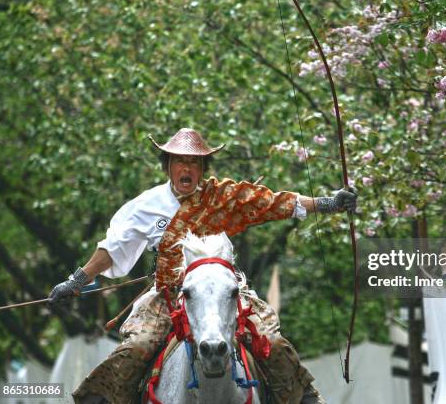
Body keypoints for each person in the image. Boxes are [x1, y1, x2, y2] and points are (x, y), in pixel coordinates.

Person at [49, 128, 357, 404]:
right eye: (179, 161)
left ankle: (303, 398)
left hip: (227, 291)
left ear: (202, 169)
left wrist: (328, 203)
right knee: (134, 350)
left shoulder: (221, 196)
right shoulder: (146, 205)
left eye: (194, 162)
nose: (187, 168)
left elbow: (274, 202)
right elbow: (112, 249)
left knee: (274, 344)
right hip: (168, 295)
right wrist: (76, 281)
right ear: (168, 166)